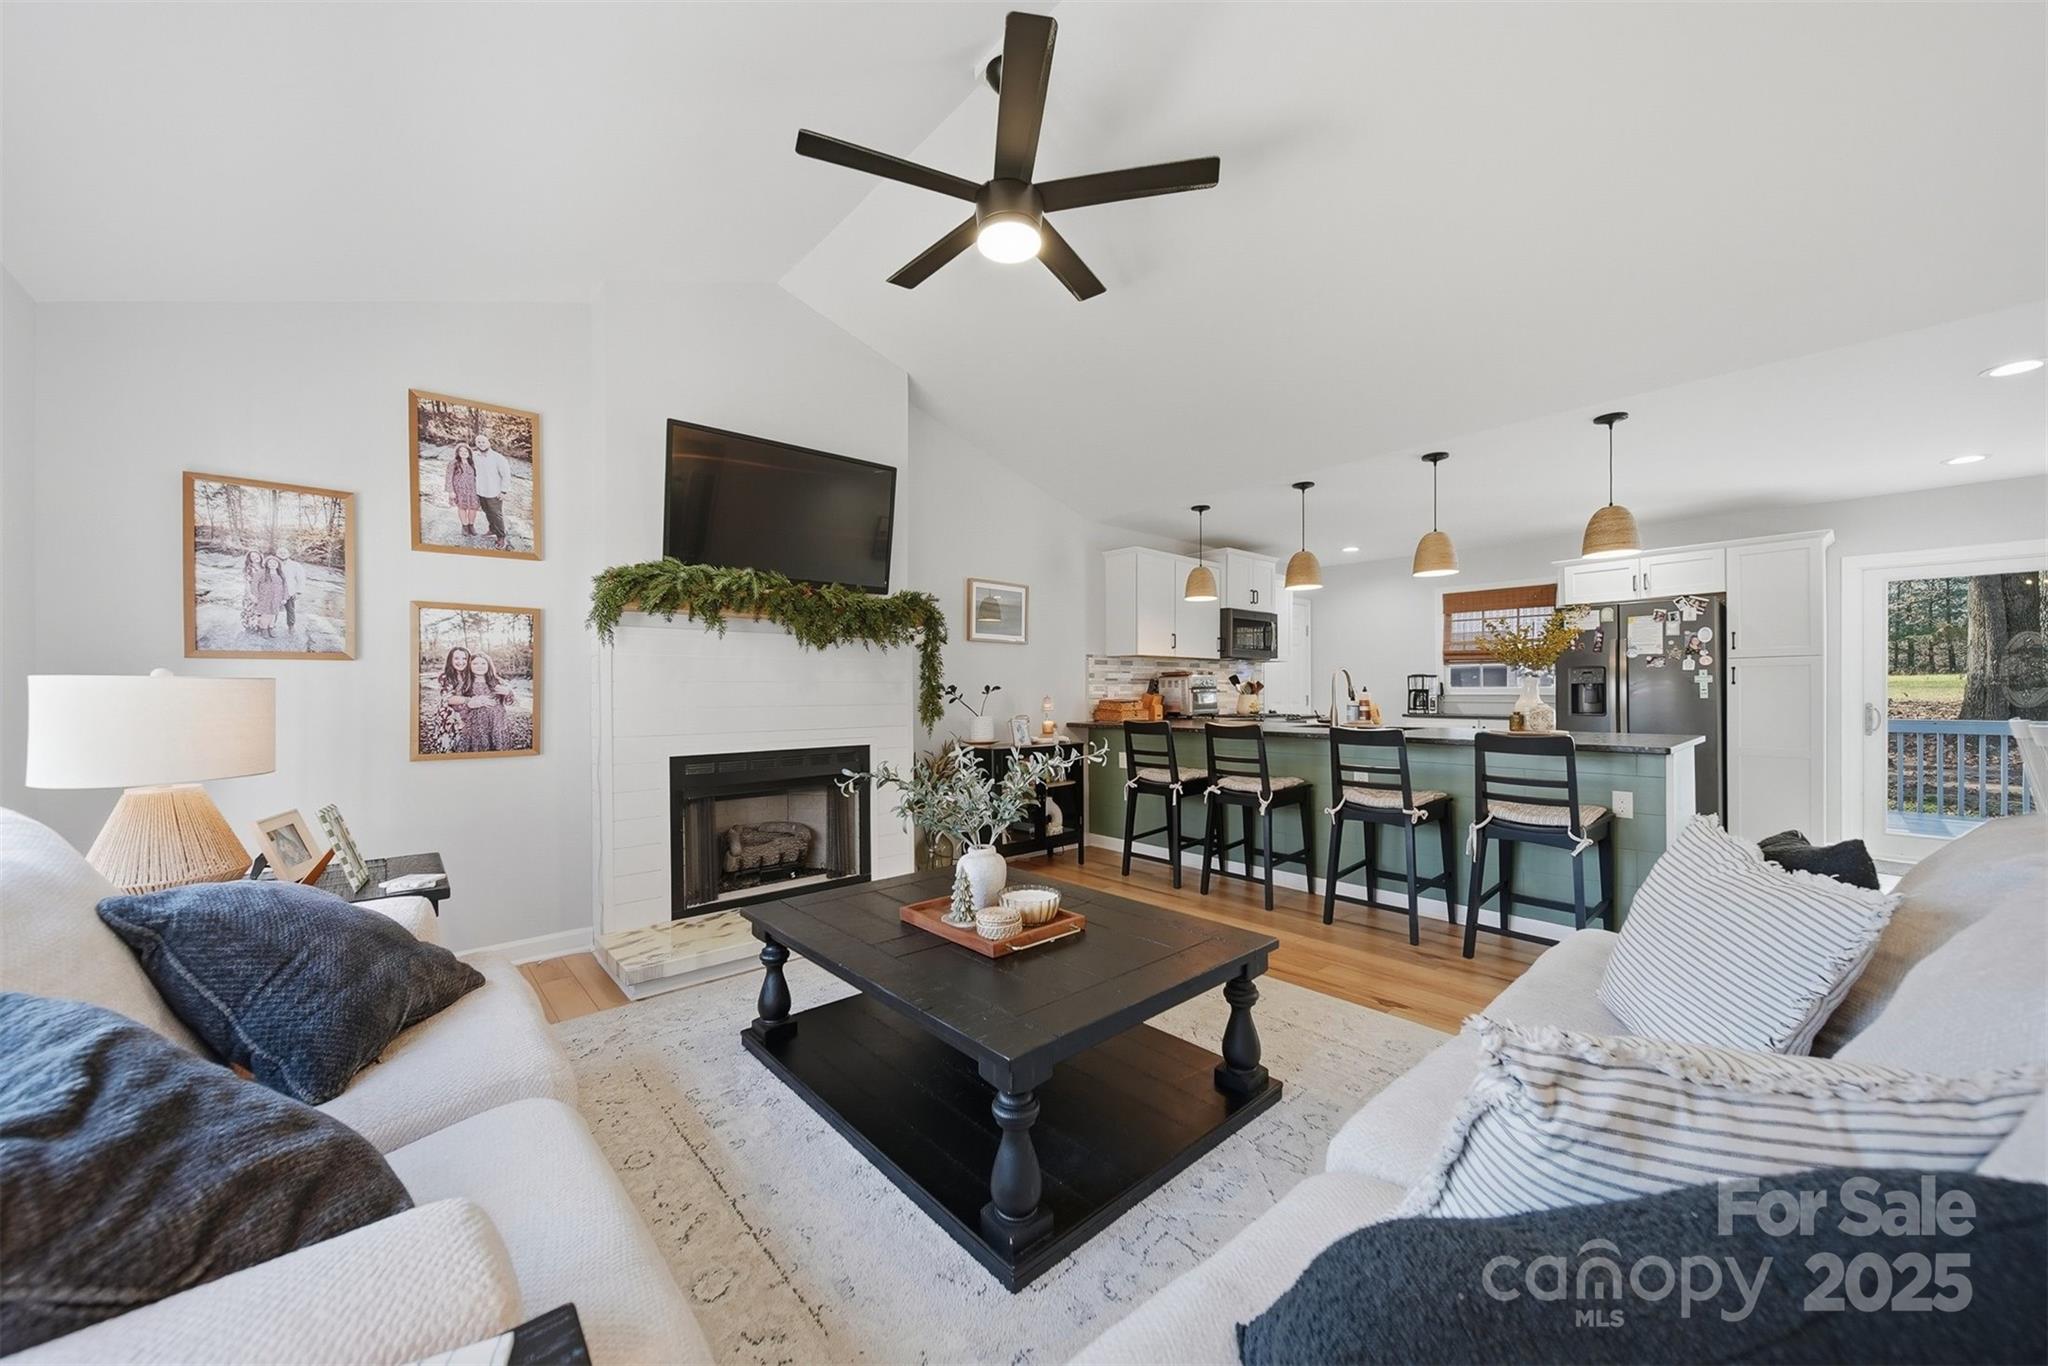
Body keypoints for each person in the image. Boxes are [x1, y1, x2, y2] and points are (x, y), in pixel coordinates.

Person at [460, 652, 518, 751]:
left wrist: (508, 692)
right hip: (476, 727)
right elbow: (459, 709)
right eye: (475, 664)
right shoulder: (465, 684)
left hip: (497, 724)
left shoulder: (497, 681)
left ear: (489, 665)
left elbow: (512, 702)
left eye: (483, 663)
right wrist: (469, 705)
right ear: (469, 666)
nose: (479, 666)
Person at [471, 431, 514, 552]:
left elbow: (506, 475)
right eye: (478, 442)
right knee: (487, 512)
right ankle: (492, 529)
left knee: (496, 515)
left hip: (494, 492)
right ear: (476, 444)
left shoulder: (498, 458)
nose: (481, 444)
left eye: (483, 441)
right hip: (480, 491)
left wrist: (504, 491)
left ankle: (501, 537)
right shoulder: (474, 456)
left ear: (489, 443)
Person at [431, 646, 473, 752]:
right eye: (456, 658)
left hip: (467, 717)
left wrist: (507, 690)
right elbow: (447, 699)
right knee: (449, 747)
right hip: (450, 717)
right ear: (451, 660)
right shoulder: (445, 677)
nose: (461, 662)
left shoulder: (471, 676)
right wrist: (470, 700)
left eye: (464, 659)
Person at [444, 442, 480, 537]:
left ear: (469, 452)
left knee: (473, 508)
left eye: (465, 451)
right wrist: (451, 491)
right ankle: (464, 526)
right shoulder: (453, 463)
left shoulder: (472, 463)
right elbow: (448, 477)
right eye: (461, 451)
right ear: (458, 453)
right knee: (462, 507)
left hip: (472, 489)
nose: (463, 453)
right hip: (459, 489)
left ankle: (471, 526)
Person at [252, 554, 287, 636]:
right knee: (265, 614)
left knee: (273, 614)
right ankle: (263, 629)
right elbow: (254, 584)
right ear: (267, 564)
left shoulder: (280, 574)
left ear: (278, 564)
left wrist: (284, 597)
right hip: (264, 597)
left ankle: (270, 628)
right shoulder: (261, 572)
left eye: (275, 563)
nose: (272, 564)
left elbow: (285, 586)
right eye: (270, 563)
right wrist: (255, 595)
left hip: (277, 598)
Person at [279, 552, 307, 634]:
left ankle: (291, 626)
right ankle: (271, 625)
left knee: (290, 610)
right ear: (277, 554)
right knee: (273, 609)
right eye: (280, 552)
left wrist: (298, 592)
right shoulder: (275, 563)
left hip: (290, 591)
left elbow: (301, 579)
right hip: (276, 591)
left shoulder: (295, 565)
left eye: (284, 552)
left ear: (288, 554)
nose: (282, 554)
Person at [239, 550, 263, 629]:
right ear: (250, 559)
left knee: (260, 610)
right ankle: (250, 628)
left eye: (257, 555)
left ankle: (259, 626)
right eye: (253, 556)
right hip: (252, 592)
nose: (256, 557)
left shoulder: (263, 567)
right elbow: (247, 583)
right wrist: (250, 595)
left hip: (262, 592)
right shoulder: (249, 569)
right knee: (250, 610)